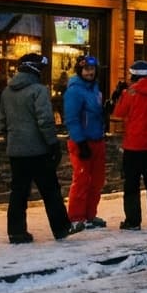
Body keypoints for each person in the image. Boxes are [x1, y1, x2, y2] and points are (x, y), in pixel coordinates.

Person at [2, 53, 78, 243]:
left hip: (16, 150)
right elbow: (45, 121)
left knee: (18, 192)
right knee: (50, 190)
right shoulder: (38, 90)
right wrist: (53, 144)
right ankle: (61, 228)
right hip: (38, 150)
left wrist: (12, 141)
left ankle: (16, 232)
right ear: (36, 69)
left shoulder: (7, 92)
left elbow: (2, 123)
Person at [111, 60, 147, 229]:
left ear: (133, 75)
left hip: (133, 145)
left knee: (131, 184)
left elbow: (118, 114)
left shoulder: (130, 93)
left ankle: (133, 220)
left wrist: (119, 96)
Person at [64, 54, 107, 229]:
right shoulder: (74, 91)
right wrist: (80, 142)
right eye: (86, 69)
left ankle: (90, 214)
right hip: (82, 141)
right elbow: (72, 119)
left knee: (96, 181)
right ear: (80, 70)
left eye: (92, 69)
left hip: (97, 139)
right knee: (81, 180)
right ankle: (76, 217)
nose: (89, 72)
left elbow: (95, 113)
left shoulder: (95, 89)